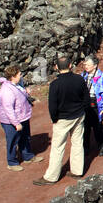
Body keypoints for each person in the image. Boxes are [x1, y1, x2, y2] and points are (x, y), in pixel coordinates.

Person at [36, 55, 86, 186]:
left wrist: (54, 119)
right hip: (78, 115)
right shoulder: (79, 79)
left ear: (56, 67)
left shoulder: (55, 84)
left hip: (62, 119)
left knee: (58, 147)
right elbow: (85, 98)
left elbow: (52, 105)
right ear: (70, 65)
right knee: (77, 142)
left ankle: (52, 176)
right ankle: (77, 170)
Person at [0, 65, 37, 170]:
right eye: (19, 74)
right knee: (12, 141)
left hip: (22, 117)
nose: (21, 75)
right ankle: (12, 163)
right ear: (13, 76)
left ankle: (27, 156)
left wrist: (26, 93)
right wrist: (16, 123)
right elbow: (8, 109)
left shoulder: (16, 84)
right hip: (11, 121)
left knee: (25, 138)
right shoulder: (6, 91)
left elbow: (20, 96)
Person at [81, 55, 103, 158]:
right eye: (85, 64)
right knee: (85, 128)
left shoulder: (101, 77)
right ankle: (85, 147)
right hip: (85, 104)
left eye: (88, 65)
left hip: (96, 104)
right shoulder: (83, 75)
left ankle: (102, 145)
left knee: (97, 127)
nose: (86, 66)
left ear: (95, 65)